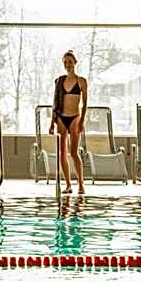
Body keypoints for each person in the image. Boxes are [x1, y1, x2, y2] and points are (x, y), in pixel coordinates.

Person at [49, 50, 88, 194]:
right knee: (62, 152)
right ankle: (68, 184)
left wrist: (82, 120)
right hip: (61, 117)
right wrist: (52, 122)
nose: (68, 65)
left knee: (74, 152)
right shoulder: (60, 81)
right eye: (65, 62)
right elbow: (55, 102)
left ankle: (81, 184)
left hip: (74, 118)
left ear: (75, 62)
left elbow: (84, 104)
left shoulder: (81, 81)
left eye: (70, 62)